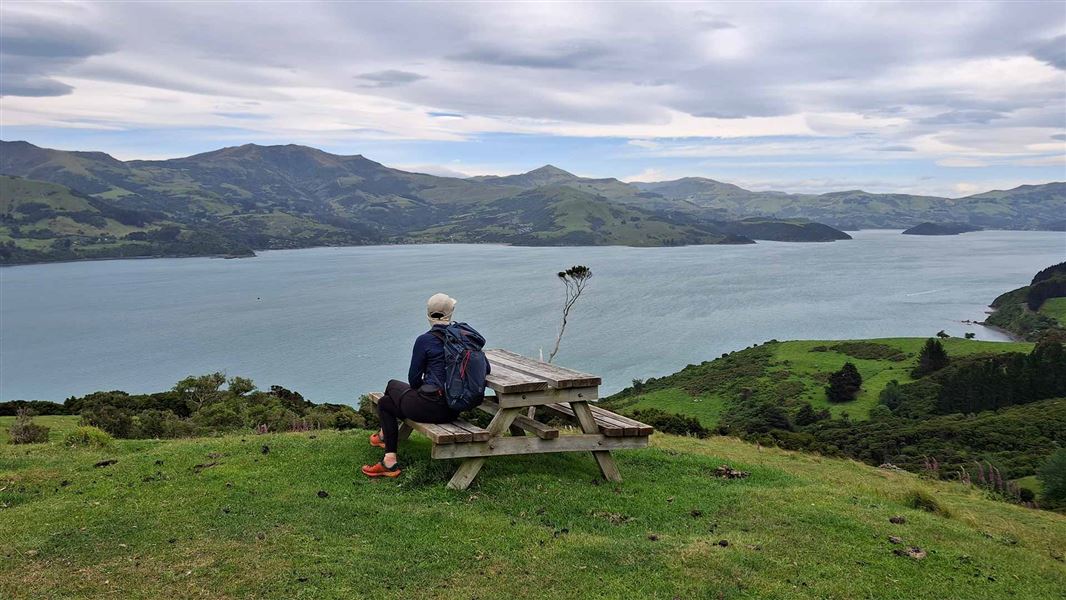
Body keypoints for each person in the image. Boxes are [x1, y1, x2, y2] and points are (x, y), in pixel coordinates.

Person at [362, 293, 489, 478]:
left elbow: (413, 380)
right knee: (386, 403)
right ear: (451, 313)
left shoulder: (425, 340)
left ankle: (387, 452)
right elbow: (486, 368)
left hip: (429, 407)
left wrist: (425, 391)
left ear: (428, 315)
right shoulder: (465, 338)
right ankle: (386, 450)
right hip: (453, 408)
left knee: (391, 387)